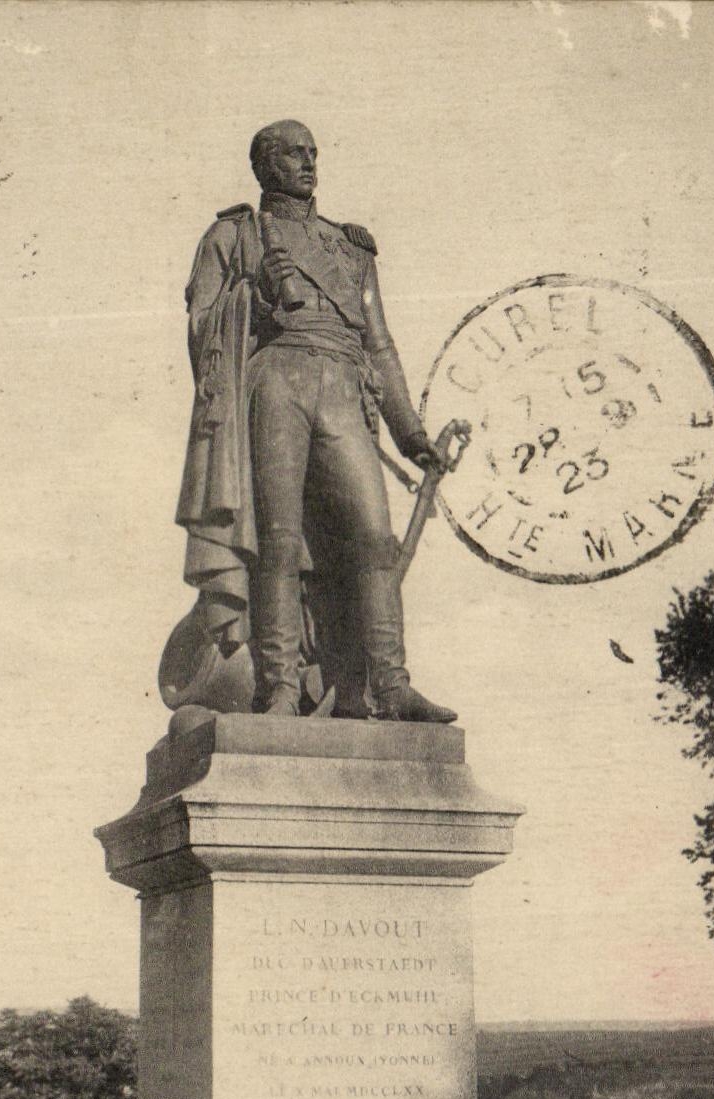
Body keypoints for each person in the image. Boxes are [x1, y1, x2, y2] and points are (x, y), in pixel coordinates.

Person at [176, 119, 457, 722]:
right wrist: (256, 296)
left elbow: (379, 345)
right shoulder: (236, 236)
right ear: (263, 166)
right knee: (278, 543)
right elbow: (203, 325)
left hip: (342, 385)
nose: (308, 162)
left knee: (374, 539)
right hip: (275, 382)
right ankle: (277, 688)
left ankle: (391, 685)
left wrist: (411, 433)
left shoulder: (350, 247)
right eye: (293, 154)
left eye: (313, 152)